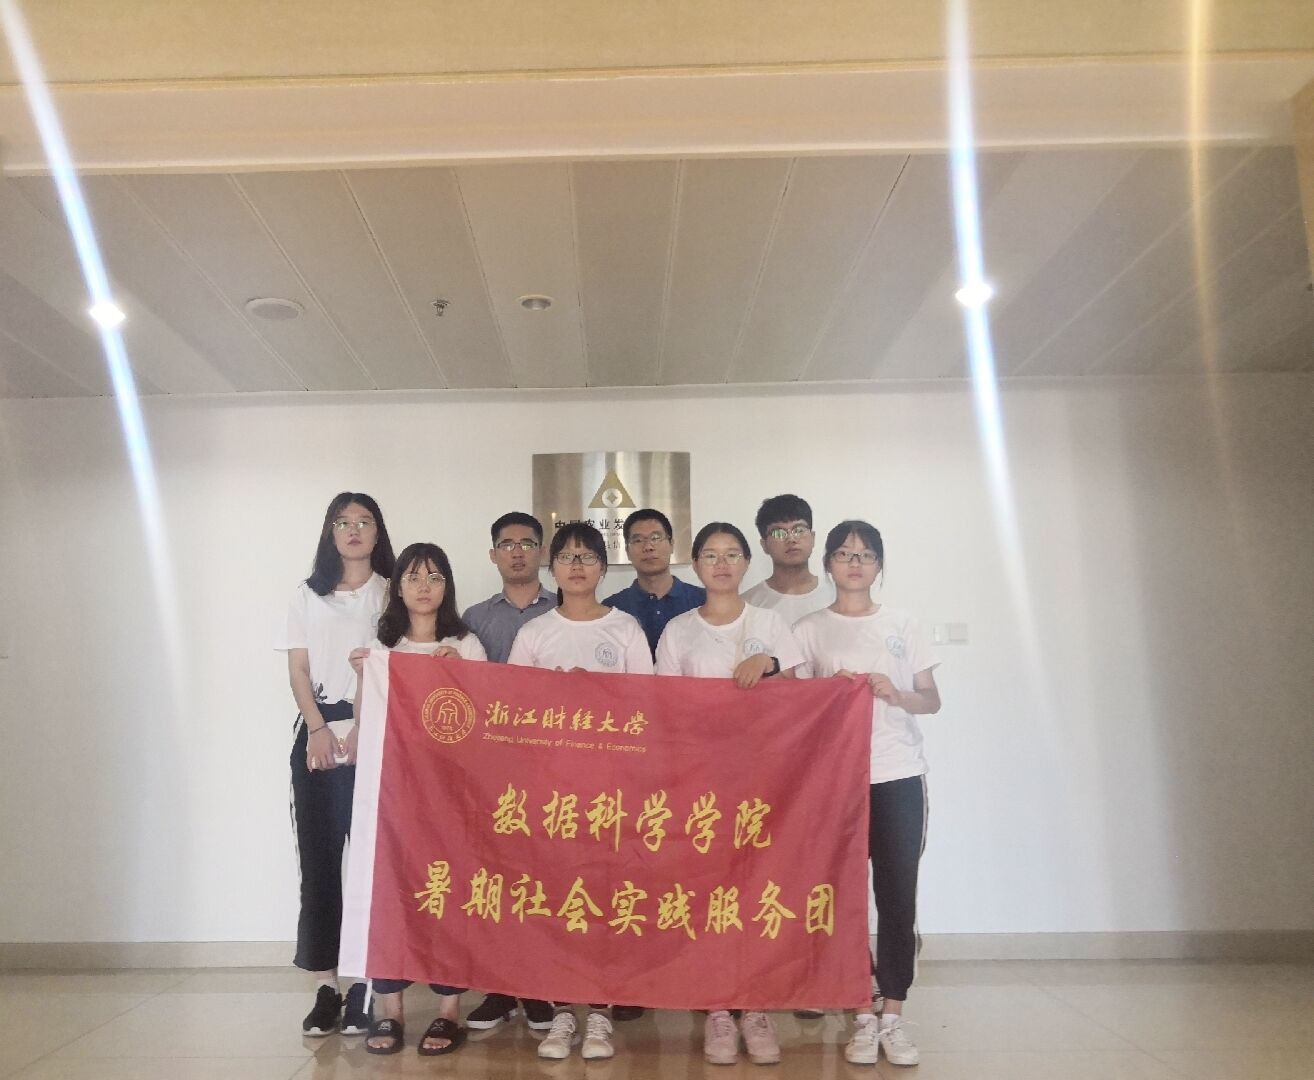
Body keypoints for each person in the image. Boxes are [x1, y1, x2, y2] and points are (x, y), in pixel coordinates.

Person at [654, 521, 804, 1067]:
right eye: (711, 555)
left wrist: (770, 664)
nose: (722, 564)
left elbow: (802, 697)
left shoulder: (770, 623)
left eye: (733, 554)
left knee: (758, 887)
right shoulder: (678, 631)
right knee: (709, 892)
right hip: (701, 782)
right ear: (695, 564)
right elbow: (664, 707)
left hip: (765, 782)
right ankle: (718, 1007)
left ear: (746, 563)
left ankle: (756, 1007)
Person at [793, 521, 941, 1068]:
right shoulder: (809, 628)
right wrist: (826, 692)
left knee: (897, 896)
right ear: (828, 564)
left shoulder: (903, 623)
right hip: (837, 782)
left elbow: (931, 700)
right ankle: (860, 1012)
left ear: (879, 565)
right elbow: (794, 706)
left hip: (898, 775)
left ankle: (893, 1014)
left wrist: (895, 693)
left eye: (865, 555)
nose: (854, 564)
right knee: (843, 897)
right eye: (844, 554)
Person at [508, 521, 653, 1061]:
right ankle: (563, 1011)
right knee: (556, 899)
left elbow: (647, 708)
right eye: (567, 557)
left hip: (611, 788)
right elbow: (513, 711)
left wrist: (596, 692)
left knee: (605, 899)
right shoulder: (535, 634)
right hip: (553, 791)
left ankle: (601, 1013)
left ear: (602, 567)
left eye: (587, 556)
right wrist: (554, 693)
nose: (576, 566)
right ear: (553, 568)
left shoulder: (625, 629)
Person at [347, 543, 484, 1056]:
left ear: (447, 585)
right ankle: (391, 1009)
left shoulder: (465, 643)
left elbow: (486, 721)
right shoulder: (382, 646)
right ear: (398, 588)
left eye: (434, 577)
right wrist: (364, 675)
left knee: (448, 891)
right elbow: (367, 719)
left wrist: (463, 675)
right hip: (394, 791)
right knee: (391, 889)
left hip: (451, 793)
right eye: (413, 577)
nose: (424, 587)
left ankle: (448, 1011)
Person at [275, 492, 394, 1038]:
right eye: (343, 522)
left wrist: (367, 728)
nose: (353, 530)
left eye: (364, 522)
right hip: (321, 733)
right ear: (330, 531)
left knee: (374, 864)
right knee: (320, 862)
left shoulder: (391, 592)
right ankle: (326, 985)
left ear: (377, 532)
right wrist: (318, 728)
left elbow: (398, 663)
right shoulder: (308, 594)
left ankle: (367, 984)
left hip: (378, 736)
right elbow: (298, 670)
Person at [459, 512, 557, 1033]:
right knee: (495, 876)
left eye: (527, 543)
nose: (517, 552)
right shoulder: (473, 619)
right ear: (493, 554)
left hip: (554, 764)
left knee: (544, 876)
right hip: (493, 764)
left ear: (542, 552)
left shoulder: (566, 609)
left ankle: (538, 987)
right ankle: (498, 987)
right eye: (507, 544)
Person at [603, 507, 705, 660]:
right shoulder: (611, 608)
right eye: (638, 540)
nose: (648, 547)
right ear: (627, 551)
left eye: (656, 538)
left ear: (671, 544)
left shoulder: (703, 601)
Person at [741, 494, 834, 624]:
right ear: (764, 545)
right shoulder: (747, 604)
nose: (791, 539)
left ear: (812, 538)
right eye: (778, 533)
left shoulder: (836, 596)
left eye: (799, 530)